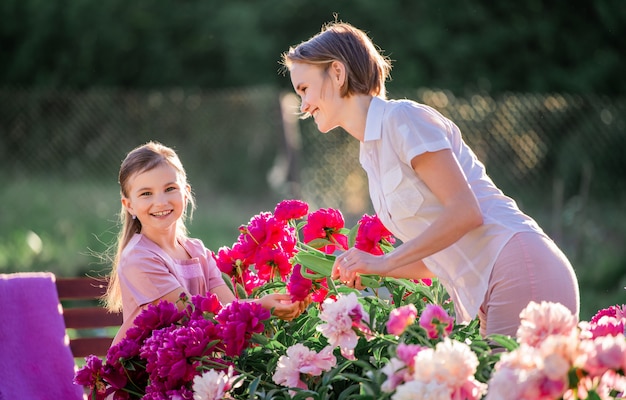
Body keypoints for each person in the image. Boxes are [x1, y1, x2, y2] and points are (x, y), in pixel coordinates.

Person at [280, 21, 580, 338]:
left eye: (304, 89)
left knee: (510, 388)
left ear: (337, 73)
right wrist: (371, 266)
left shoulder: (402, 119)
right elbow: (437, 257)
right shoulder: (372, 153)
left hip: (517, 266)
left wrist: (384, 263)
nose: (303, 105)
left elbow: (465, 212)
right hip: (493, 285)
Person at [104, 141, 306, 345]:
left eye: (170, 188)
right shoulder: (139, 258)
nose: (161, 202)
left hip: (198, 362)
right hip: (151, 370)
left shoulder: (197, 251)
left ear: (185, 192)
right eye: (146, 193)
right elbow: (192, 314)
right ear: (129, 205)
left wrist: (280, 302)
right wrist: (261, 307)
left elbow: (228, 307)